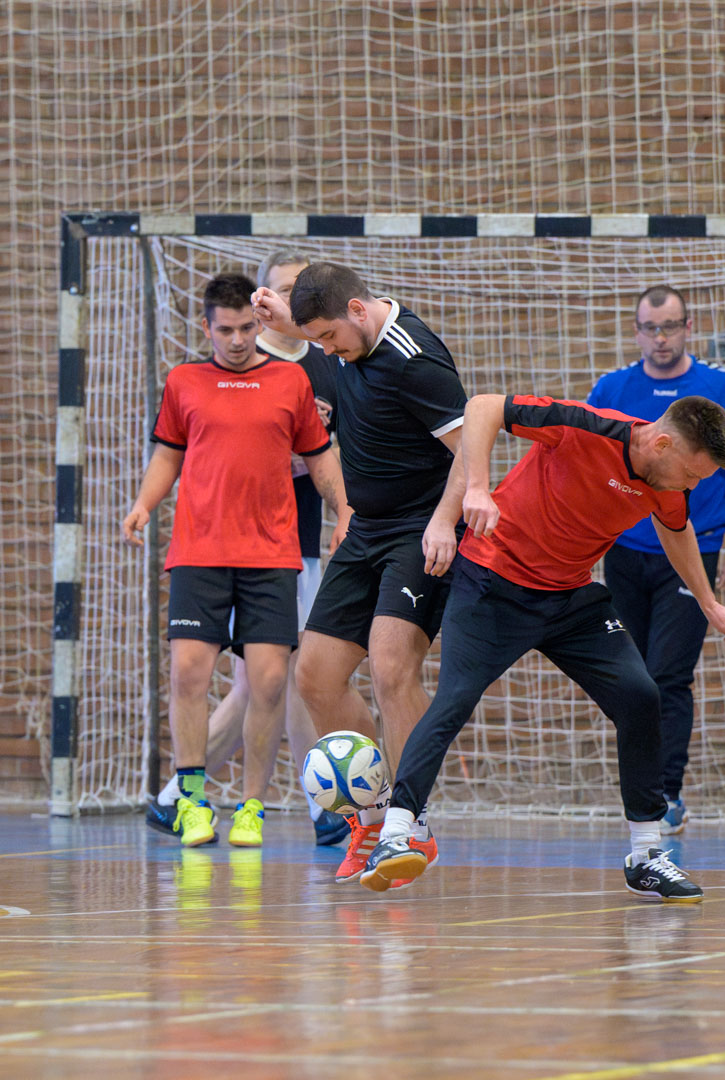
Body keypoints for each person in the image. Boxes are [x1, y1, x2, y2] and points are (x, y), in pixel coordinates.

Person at [360, 393, 725, 900]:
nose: (692, 486)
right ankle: (396, 834)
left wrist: (709, 603)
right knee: (454, 700)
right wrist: (476, 488)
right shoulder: (585, 426)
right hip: (493, 583)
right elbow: (483, 408)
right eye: (692, 474)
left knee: (641, 695)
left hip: (570, 598)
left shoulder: (667, 482)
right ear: (661, 444)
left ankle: (646, 856)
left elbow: (676, 528)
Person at [251, 264, 468, 884]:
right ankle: (370, 818)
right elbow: (323, 334)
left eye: (327, 338)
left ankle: (411, 822)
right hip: (365, 528)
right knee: (315, 675)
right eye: (314, 338)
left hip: (421, 529)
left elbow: (473, 451)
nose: (324, 351)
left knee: (391, 667)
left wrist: (445, 522)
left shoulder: (415, 359)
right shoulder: (344, 337)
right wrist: (291, 324)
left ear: (356, 310)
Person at [124, 272, 345, 848]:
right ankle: (191, 802)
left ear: (258, 322)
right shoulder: (184, 381)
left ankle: (251, 808)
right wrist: (144, 504)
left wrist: (345, 511)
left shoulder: (290, 382)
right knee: (188, 675)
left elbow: (320, 457)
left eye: (247, 328)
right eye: (226, 330)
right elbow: (167, 455)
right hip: (199, 552)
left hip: (271, 554)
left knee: (269, 683)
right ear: (208, 328)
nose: (239, 340)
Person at [587, 285, 725, 833]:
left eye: (669, 327)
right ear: (636, 331)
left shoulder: (720, 388)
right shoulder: (612, 388)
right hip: (625, 553)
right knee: (630, 676)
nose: (660, 338)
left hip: (693, 551)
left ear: (689, 327)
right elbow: (590, 468)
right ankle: (638, 792)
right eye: (650, 328)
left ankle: (667, 794)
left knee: (668, 674)